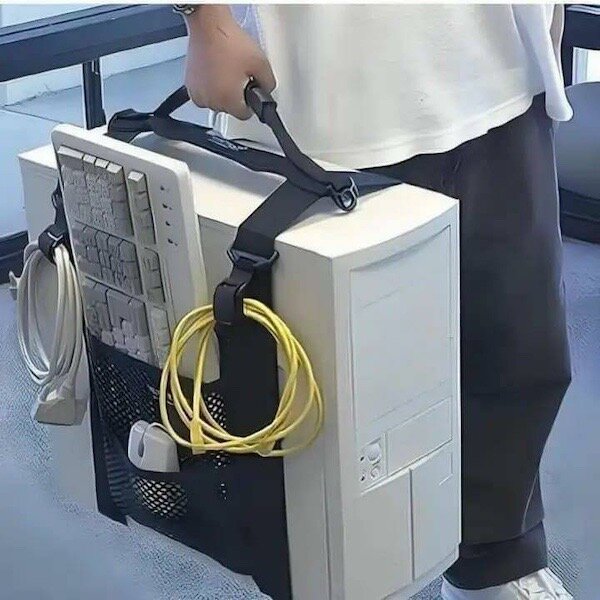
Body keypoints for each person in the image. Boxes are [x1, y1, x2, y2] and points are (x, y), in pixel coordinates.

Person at [180, 4, 573, 599]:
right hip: (327, 92)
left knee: (518, 345)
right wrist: (203, 20)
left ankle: (496, 561)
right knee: (328, 391)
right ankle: (331, 578)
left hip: (499, 63)